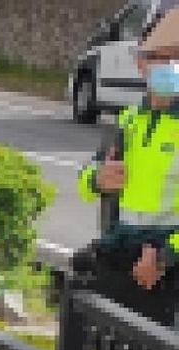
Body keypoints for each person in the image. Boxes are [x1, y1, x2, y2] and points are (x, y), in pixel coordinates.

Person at [76, 7, 179, 328]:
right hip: (125, 254)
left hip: (167, 265)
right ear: (140, 63)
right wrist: (98, 180)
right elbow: (87, 176)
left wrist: (164, 257)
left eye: (176, 56)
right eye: (158, 57)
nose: (169, 66)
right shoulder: (129, 120)